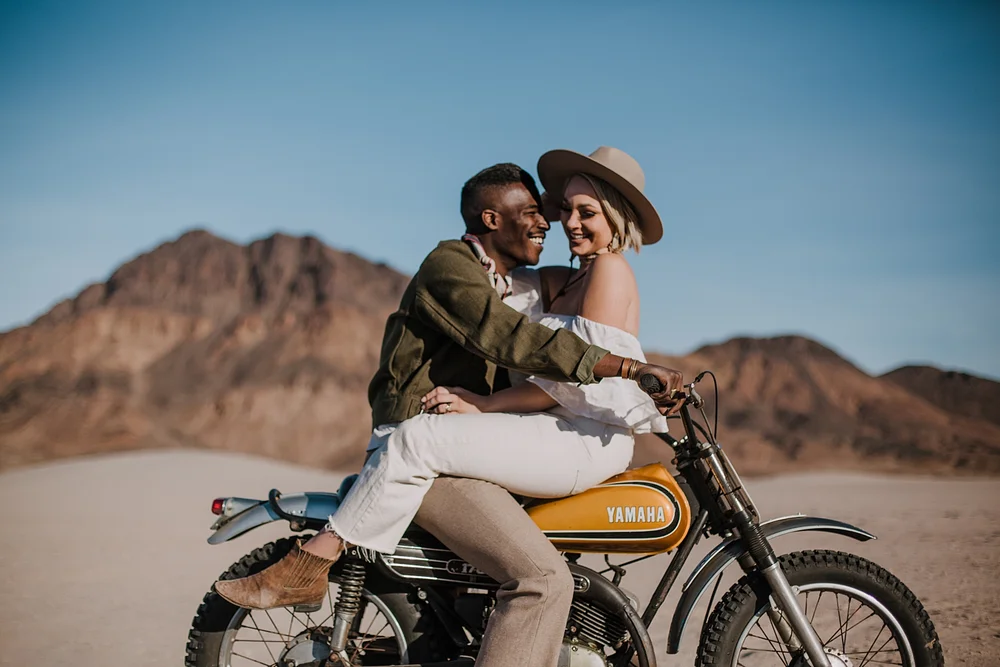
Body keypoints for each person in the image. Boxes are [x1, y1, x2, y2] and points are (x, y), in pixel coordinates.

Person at [214, 152, 682, 667]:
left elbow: (560, 374)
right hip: (554, 429)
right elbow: (510, 328)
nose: (564, 221)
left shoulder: (607, 272)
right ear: (491, 220)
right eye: (563, 210)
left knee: (422, 441)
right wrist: (545, 210)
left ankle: (315, 559)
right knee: (421, 440)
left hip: (578, 435)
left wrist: (493, 401)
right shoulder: (543, 278)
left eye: (585, 212)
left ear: (617, 217)